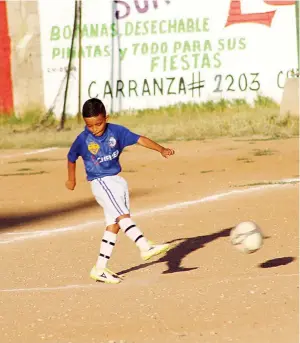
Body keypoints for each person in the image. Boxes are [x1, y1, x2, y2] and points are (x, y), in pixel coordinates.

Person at [66, 98, 175, 284]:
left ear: (106, 118)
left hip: (116, 182)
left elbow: (139, 139)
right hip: (101, 181)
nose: (94, 129)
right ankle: (144, 245)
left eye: (98, 124)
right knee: (122, 216)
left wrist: (161, 149)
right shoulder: (83, 139)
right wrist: (71, 179)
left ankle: (100, 269)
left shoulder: (116, 131)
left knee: (114, 225)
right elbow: (71, 156)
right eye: (89, 125)